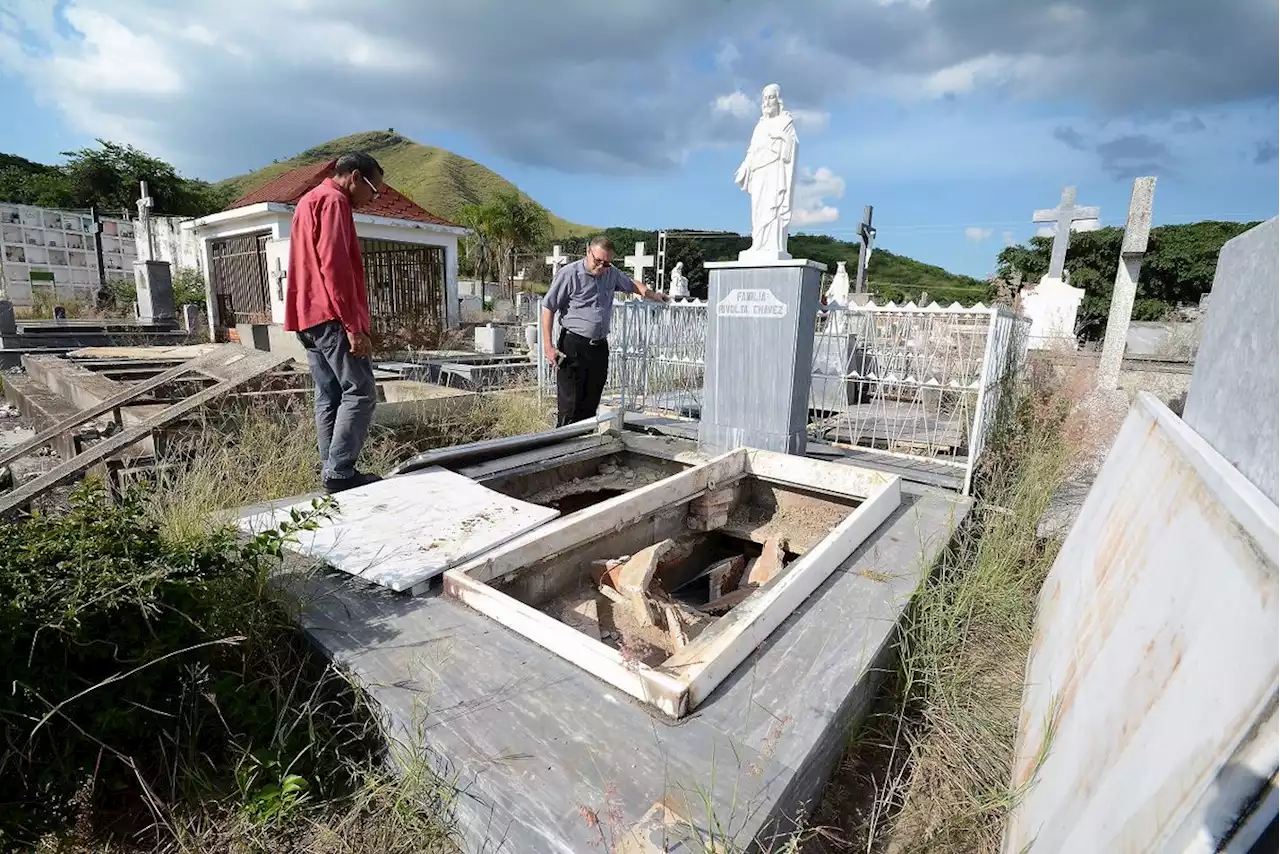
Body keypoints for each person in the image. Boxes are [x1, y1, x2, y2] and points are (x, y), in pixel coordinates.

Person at [284, 152, 385, 494]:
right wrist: (353, 326)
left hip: (307, 315)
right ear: (355, 177)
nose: (373, 199)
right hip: (331, 315)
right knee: (361, 391)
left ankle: (331, 470)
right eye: (374, 190)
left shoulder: (308, 200)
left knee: (329, 393)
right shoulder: (333, 202)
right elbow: (335, 268)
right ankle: (340, 471)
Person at [541, 236, 667, 426]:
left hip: (599, 347)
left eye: (606, 263)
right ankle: (564, 447)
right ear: (588, 252)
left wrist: (652, 295)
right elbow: (548, 307)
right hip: (573, 346)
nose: (601, 267)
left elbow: (632, 284)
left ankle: (585, 445)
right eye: (597, 261)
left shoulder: (611, 273)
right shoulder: (569, 274)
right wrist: (548, 346)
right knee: (570, 405)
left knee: (591, 403)